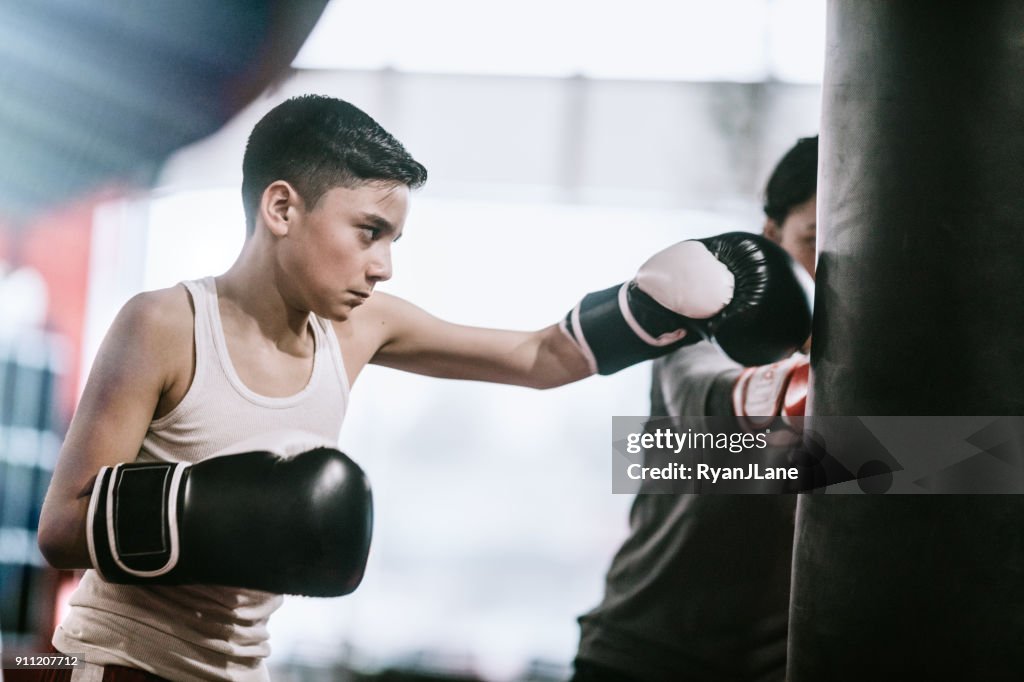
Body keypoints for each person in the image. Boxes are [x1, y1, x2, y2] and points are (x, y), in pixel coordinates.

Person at [34, 96, 811, 681]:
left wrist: (653, 305)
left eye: (394, 240)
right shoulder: (165, 323)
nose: (383, 266)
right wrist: (230, 512)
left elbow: (538, 357)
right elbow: (63, 527)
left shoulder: (362, 329)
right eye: (369, 232)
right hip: (118, 664)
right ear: (281, 207)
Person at [572, 136, 818, 682]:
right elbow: (713, 413)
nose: (836, 272)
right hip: (646, 654)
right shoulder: (715, 309)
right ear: (772, 235)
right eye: (815, 241)